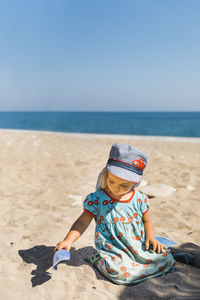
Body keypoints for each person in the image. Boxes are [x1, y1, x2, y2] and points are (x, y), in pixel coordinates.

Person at [54, 143, 176, 285]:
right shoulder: (97, 199)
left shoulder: (139, 199)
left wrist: (151, 238)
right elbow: (82, 222)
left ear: (135, 183)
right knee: (122, 274)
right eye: (112, 181)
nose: (116, 188)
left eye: (124, 185)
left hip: (137, 245)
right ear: (106, 173)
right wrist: (68, 241)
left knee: (165, 258)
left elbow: (147, 221)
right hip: (113, 250)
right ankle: (97, 259)